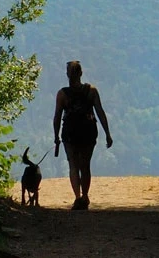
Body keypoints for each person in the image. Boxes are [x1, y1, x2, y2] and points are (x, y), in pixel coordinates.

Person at [53, 60, 112, 210]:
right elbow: (100, 113)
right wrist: (107, 133)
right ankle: (85, 196)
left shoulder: (62, 94)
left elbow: (57, 117)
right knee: (85, 166)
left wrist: (56, 137)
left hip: (70, 133)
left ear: (67, 74)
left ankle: (77, 197)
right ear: (81, 73)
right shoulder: (91, 91)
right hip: (88, 131)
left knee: (73, 165)